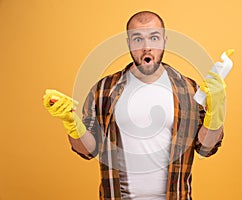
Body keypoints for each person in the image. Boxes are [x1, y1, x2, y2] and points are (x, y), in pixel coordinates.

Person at [43, 11, 226, 200]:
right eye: (137, 39)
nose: (147, 48)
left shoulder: (189, 89)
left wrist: (216, 112)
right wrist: (71, 123)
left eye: (154, 38)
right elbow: (88, 150)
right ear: (128, 43)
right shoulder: (104, 89)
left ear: (164, 41)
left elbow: (206, 147)